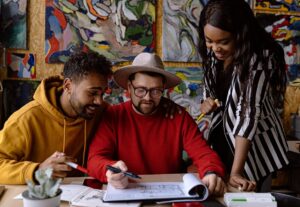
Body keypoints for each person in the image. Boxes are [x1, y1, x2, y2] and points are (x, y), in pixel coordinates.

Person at [87, 52, 226, 196]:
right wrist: (109, 171)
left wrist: (211, 171)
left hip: (170, 196)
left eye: (155, 91)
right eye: (140, 90)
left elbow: (204, 153)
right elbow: (94, 160)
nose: (147, 98)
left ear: (164, 88)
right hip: (125, 193)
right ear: (129, 87)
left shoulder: (178, 116)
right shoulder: (113, 116)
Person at [198, 0, 289, 192]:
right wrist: (206, 101)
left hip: (252, 147)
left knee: (248, 198)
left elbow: (248, 114)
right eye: (209, 41)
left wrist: (236, 171)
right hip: (222, 140)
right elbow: (211, 91)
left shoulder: (260, 58)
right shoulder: (214, 55)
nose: (215, 48)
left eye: (224, 41)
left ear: (241, 34)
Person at [0, 51, 112, 184]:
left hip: (84, 197)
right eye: (92, 93)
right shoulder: (26, 118)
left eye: (102, 93)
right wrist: (38, 170)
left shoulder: (101, 112)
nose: (99, 101)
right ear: (68, 86)